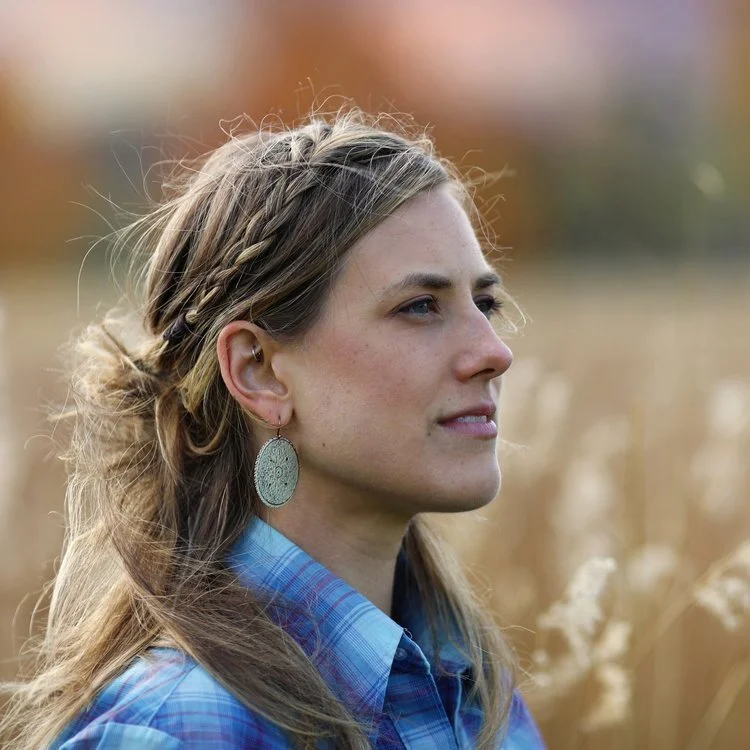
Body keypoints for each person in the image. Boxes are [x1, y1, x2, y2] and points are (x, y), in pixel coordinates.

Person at [0, 107, 545, 749]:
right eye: (420, 307)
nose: (494, 352)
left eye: (485, 303)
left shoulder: (479, 702)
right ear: (259, 371)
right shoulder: (178, 731)